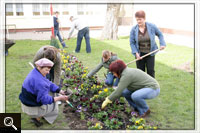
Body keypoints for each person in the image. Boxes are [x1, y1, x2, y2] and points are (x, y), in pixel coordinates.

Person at [19, 58, 69, 127]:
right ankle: (38, 116)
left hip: (26, 102)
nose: (48, 72)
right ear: (39, 67)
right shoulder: (40, 82)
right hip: (31, 106)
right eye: (46, 70)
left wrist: (59, 90)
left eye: (49, 70)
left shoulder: (35, 72)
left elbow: (48, 83)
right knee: (54, 105)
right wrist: (59, 98)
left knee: (51, 93)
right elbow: (44, 100)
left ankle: (37, 116)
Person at [130, 10, 166, 78]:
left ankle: (153, 87)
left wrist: (162, 44)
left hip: (150, 53)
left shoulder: (152, 26)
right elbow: (132, 42)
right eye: (137, 20)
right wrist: (136, 53)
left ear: (144, 18)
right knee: (140, 73)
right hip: (139, 55)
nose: (138, 21)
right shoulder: (134, 29)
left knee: (150, 71)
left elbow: (160, 34)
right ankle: (142, 87)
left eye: (140, 19)